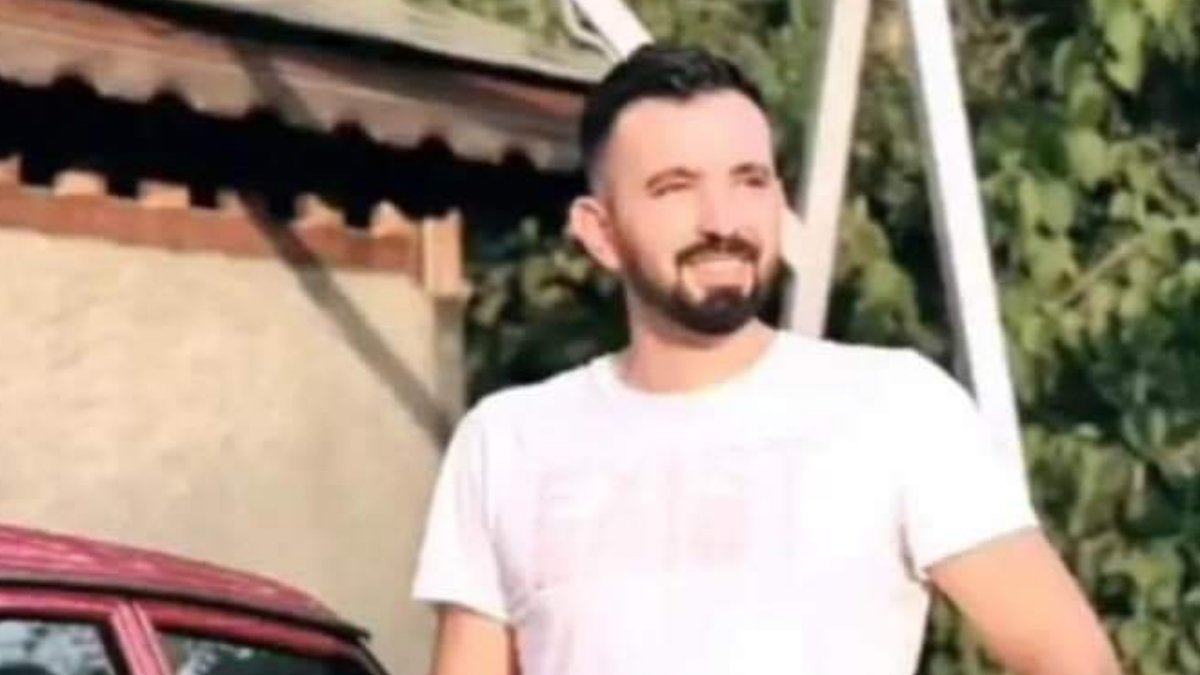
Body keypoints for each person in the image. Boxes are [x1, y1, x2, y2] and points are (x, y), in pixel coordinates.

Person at [412, 44, 1120, 675]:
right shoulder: (508, 440)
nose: (722, 220)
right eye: (674, 187)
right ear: (599, 232)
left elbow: (1071, 659)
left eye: (749, 180)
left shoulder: (895, 405)